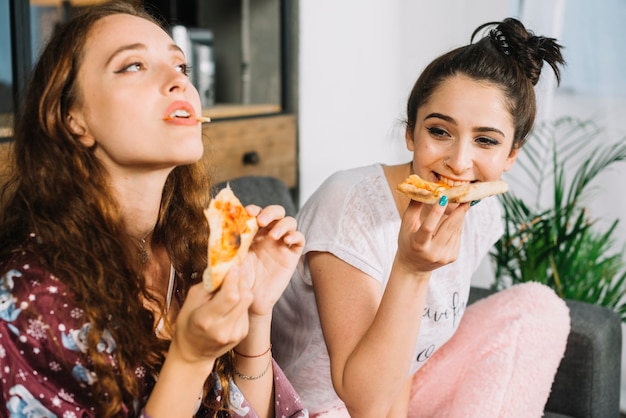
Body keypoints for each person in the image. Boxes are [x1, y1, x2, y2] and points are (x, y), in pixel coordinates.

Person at [0, 2, 307, 417]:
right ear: (75, 119)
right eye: (132, 66)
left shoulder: (194, 248)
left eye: (181, 67)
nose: (177, 82)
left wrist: (255, 311)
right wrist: (190, 358)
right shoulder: (29, 302)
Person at [271, 18, 569, 418]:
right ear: (411, 133)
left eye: (485, 140)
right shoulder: (349, 204)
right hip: (322, 407)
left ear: (511, 155)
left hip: (400, 392)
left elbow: (412, 351)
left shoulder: (483, 214)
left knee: (538, 308)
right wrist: (411, 268)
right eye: (440, 131)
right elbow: (364, 402)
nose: (459, 162)